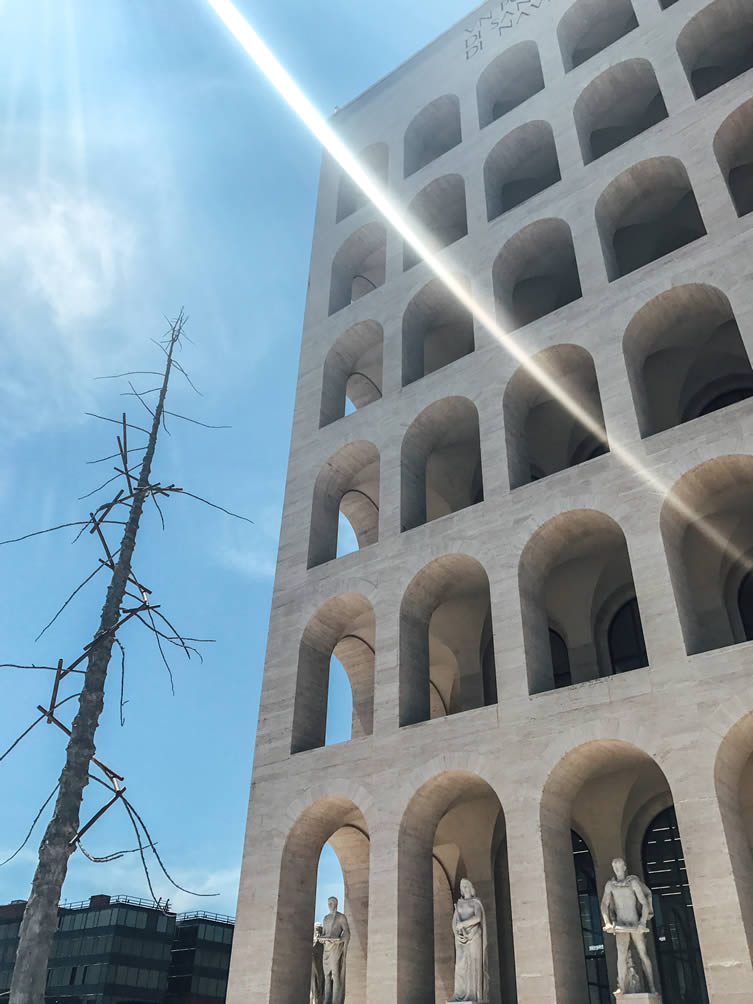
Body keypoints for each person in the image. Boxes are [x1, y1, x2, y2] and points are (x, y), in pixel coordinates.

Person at [601, 857, 658, 995]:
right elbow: (604, 904)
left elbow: (644, 903)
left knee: (643, 954)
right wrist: (607, 922)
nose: (617, 869)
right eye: (614, 866)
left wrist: (643, 922)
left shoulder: (633, 883)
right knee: (621, 956)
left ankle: (652, 987)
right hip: (620, 925)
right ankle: (621, 986)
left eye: (619, 866)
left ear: (624, 867)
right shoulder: (610, 885)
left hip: (634, 923)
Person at [449, 878, 488, 1002]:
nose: (464, 888)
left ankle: (473, 994)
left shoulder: (476, 902)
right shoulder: (459, 904)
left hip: (474, 936)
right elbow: (454, 922)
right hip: (461, 939)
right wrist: (456, 933)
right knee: (460, 966)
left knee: (472, 965)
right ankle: (459, 994)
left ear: (471, 888)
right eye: (462, 886)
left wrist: (463, 924)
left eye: (466, 885)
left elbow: (477, 918)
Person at [318, 895, 350, 1004]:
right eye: (328, 904)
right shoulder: (326, 918)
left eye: (331, 903)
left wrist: (339, 940)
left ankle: (336, 1000)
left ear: (336, 904)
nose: (329, 906)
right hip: (326, 948)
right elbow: (323, 934)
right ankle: (326, 1000)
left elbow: (346, 932)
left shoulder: (341, 917)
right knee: (326, 975)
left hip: (336, 948)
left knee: (335, 974)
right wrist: (321, 939)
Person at [311, 922, 325, 1004]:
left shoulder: (323, 943)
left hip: (321, 965)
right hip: (313, 965)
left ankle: (319, 999)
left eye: (319, 930)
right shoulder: (313, 942)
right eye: (316, 930)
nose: (318, 932)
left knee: (320, 980)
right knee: (313, 982)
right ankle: (315, 999)